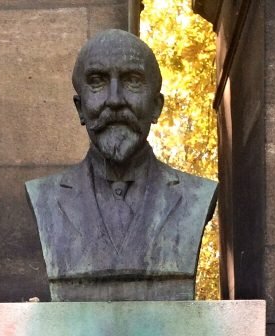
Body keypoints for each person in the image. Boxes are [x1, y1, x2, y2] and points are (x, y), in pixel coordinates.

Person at [25, 30, 217, 300]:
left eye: (133, 81)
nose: (115, 100)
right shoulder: (45, 197)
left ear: (156, 107)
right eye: (97, 81)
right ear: (80, 109)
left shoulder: (195, 196)